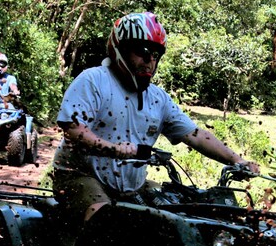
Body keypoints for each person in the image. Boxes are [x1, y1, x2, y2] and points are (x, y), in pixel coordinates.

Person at [52, 11, 259, 221]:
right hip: (78, 175)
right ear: (121, 49)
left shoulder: (158, 98)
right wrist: (114, 150)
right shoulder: (94, 80)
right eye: (143, 52)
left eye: (155, 55)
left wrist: (237, 160)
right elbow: (73, 128)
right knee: (106, 223)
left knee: (174, 216)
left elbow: (195, 134)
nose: (149, 61)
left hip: (133, 186)